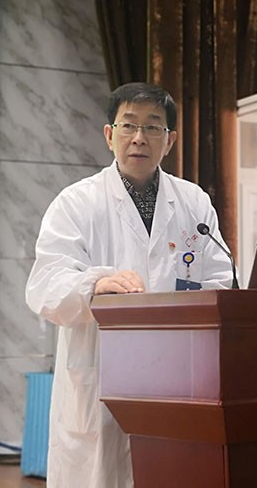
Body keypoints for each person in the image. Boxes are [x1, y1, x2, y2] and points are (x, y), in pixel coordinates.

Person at [25, 82, 233, 488]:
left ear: (169, 140)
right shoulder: (76, 202)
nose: (139, 137)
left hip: (178, 378)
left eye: (153, 127)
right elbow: (45, 286)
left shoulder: (194, 203)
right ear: (110, 135)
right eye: (129, 125)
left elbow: (221, 280)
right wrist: (95, 284)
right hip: (100, 378)